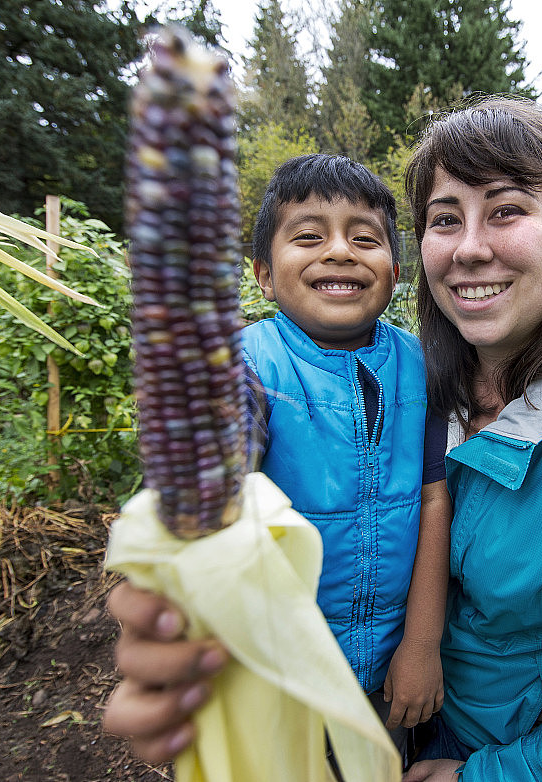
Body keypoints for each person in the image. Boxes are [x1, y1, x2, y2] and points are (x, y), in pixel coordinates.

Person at [105, 100, 542, 781]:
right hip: (397, 725)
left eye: (505, 210)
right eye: (444, 218)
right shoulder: (427, 387)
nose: (468, 247)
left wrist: (485, 775)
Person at [106, 153, 452, 760]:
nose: (340, 251)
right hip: (273, 668)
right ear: (264, 274)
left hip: (389, 667)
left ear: (395, 271)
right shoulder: (247, 366)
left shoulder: (421, 368)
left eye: (364, 238)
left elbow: (432, 497)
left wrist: (421, 646)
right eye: (309, 236)